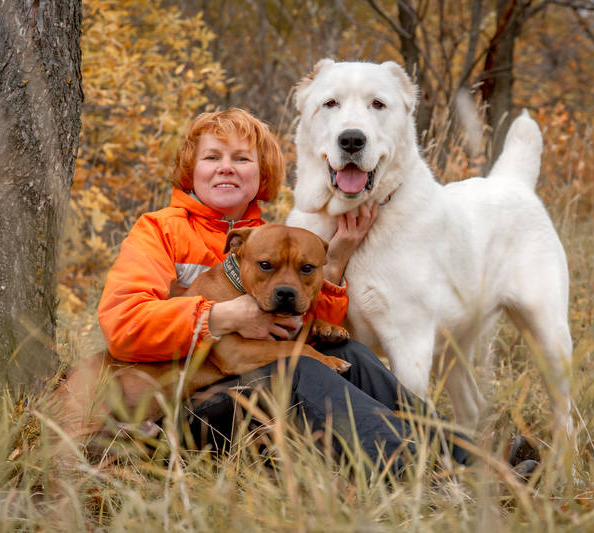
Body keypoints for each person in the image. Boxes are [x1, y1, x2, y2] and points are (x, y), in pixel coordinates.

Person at [97, 108, 528, 477]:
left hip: (247, 394)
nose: (226, 167)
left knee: (348, 353)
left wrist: (334, 261)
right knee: (299, 369)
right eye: (212, 157)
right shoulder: (159, 231)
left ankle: (467, 456)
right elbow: (122, 325)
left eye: (242, 158)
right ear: (190, 168)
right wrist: (223, 316)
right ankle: (422, 473)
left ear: (263, 173)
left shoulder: (277, 235)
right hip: (180, 413)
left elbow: (308, 324)